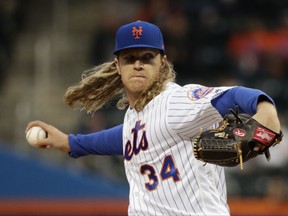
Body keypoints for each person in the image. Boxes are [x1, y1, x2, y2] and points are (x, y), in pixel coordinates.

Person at [26, 21, 281, 215]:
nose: (138, 64)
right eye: (130, 58)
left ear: (162, 62)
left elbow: (235, 95)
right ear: (118, 65)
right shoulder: (134, 116)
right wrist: (71, 143)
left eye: (147, 58)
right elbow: (127, 137)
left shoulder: (176, 102)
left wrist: (265, 109)